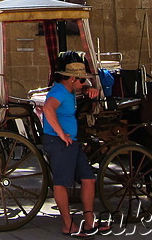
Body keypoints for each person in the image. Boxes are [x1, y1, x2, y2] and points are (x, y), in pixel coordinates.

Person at [42, 57, 110, 236]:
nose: (84, 82)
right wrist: (61, 133)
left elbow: (83, 88)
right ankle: (68, 225)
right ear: (72, 79)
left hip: (71, 142)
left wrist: (87, 89)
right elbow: (48, 109)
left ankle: (89, 222)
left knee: (88, 178)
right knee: (62, 183)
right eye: (82, 80)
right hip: (59, 142)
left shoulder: (70, 89)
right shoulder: (60, 92)